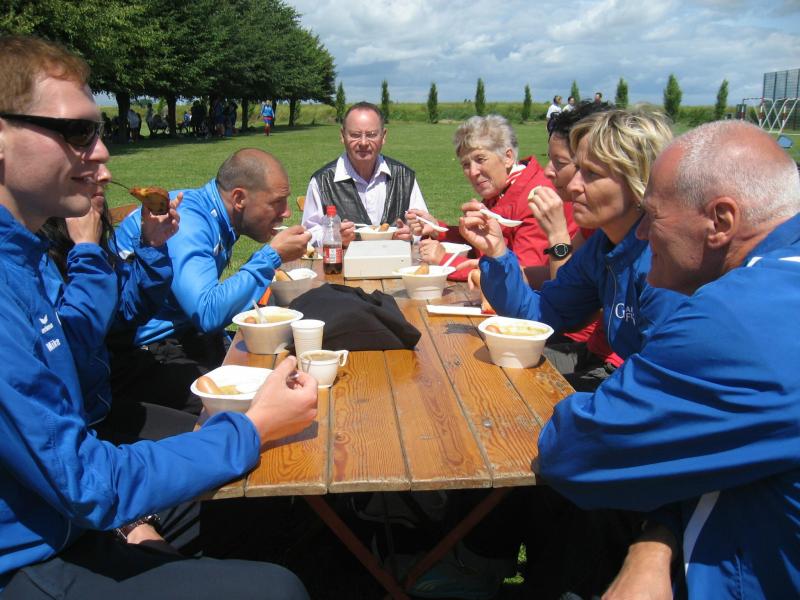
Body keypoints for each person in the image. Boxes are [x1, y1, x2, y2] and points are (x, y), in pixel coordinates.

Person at [0, 33, 315, 598]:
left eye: (98, 132)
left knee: (256, 491)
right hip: (35, 550)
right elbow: (83, 476)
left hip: (67, 509)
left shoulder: (29, 256)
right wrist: (248, 429)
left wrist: (145, 251)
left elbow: (95, 336)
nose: (102, 154)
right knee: (277, 586)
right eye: (78, 132)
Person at [538, 120, 800, 598]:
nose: (641, 233)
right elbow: (731, 450)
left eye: (653, 215)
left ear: (720, 221)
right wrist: (654, 544)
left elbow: (574, 450)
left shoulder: (740, 317)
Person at [111, 149, 311, 415]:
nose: (286, 212)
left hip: (183, 337)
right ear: (239, 198)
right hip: (139, 354)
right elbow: (207, 312)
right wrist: (271, 256)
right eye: (277, 202)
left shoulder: (214, 216)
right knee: (247, 403)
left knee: (279, 365)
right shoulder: (189, 223)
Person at [38, 166, 188, 442]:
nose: (105, 175)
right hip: (69, 427)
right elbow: (69, 350)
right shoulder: (34, 257)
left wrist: (152, 245)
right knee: (206, 438)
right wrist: (86, 252)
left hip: (101, 398)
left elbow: (126, 311)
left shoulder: (80, 238)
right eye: (85, 171)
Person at [409, 114, 578, 282]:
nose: (473, 172)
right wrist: (438, 229)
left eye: (480, 159)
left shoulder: (537, 198)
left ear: (508, 158)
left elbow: (523, 275)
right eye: (466, 164)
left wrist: (445, 261)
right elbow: (482, 243)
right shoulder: (504, 188)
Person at [301, 101, 427, 246]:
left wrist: (411, 235)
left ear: (383, 136)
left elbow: (423, 226)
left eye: (371, 135)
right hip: (345, 260)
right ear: (342, 136)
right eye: (355, 135)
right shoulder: (322, 181)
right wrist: (334, 236)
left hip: (395, 259)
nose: (363, 142)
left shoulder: (405, 177)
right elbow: (309, 234)